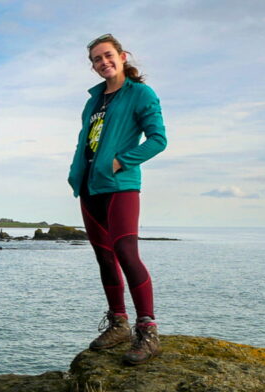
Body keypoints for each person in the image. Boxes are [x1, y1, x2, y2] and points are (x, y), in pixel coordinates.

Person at [67, 34, 167, 365]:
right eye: (96, 59)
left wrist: (121, 160)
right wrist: (76, 172)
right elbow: (87, 141)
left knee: (126, 251)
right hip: (90, 186)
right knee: (104, 257)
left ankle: (148, 331)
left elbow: (158, 140)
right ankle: (119, 323)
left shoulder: (140, 93)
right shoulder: (93, 101)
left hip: (120, 185)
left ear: (122, 56)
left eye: (107, 55)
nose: (102, 62)